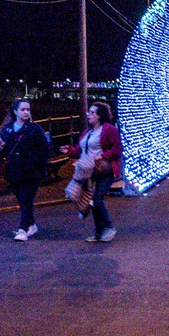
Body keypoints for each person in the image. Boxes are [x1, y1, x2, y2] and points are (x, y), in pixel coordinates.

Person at [64, 101, 123, 242]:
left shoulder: (108, 129)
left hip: (104, 170)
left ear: (99, 116)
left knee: (97, 198)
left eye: (92, 113)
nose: (88, 115)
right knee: (91, 200)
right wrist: (70, 151)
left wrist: (103, 156)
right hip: (88, 172)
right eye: (89, 112)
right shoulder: (88, 132)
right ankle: (99, 233)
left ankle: (108, 227)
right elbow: (80, 150)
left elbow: (118, 149)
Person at [0, 99, 52, 242]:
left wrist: (37, 162)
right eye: (23, 110)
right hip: (14, 170)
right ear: (15, 111)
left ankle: (22, 229)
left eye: (28, 109)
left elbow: (45, 148)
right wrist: (0, 146)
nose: (26, 112)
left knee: (26, 198)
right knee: (22, 200)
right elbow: (4, 149)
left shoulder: (34, 128)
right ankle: (31, 225)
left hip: (31, 170)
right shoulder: (7, 128)